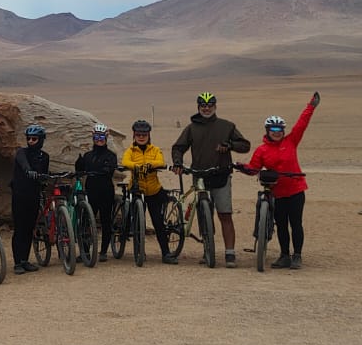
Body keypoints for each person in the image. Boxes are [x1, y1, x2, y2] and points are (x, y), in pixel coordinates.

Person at [170, 91, 252, 267]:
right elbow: (178, 147)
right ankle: (208, 248)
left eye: (209, 105)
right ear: (198, 107)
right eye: (203, 106)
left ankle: (230, 253)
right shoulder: (191, 128)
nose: (206, 108)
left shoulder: (227, 126)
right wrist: (177, 162)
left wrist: (230, 145)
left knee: (225, 214)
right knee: (202, 213)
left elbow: (245, 145)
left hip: (221, 174)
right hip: (199, 175)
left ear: (215, 106)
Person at [240, 92, 320, 269]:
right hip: (277, 193)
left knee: (296, 223)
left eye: (280, 129)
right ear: (267, 131)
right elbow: (254, 168)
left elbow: (301, 124)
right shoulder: (261, 150)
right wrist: (242, 167)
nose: (277, 133)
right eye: (273, 130)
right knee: (281, 225)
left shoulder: (291, 141)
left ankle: (297, 255)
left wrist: (311, 106)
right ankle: (284, 255)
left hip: (296, 190)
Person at [121, 119, 176, 263]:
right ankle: (140, 251)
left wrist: (149, 165)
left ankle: (166, 253)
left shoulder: (155, 150)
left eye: (144, 134)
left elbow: (161, 162)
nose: (141, 137)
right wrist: (138, 166)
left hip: (153, 190)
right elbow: (125, 162)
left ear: (148, 135)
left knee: (158, 222)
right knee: (137, 221)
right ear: (134, 135)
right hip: (137, 189)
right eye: (138, 134)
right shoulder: (130, 151)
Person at [74, 123, 120, 259]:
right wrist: (79, 164)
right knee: (86, 221)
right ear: (93, 137)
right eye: (96, 137)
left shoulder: (111, 155)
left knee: (106, 220)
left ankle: (104, 252)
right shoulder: (88, 155)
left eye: (101, 137)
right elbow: (81, 171)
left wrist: (106, 169)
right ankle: (86, 251)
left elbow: (111, 168)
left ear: (106, 138)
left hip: (106, 191)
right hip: (91, 191)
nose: (99, 139)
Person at [8, 124, 50, 272]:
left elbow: (44, 174)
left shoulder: (44, 157)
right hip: (20, 196)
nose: (31, 141)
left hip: (34, 195)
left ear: (41, 140)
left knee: (29, 229)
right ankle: (17, 263)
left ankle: (25, 260)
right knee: (19, 229)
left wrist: (44, 178)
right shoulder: (21, 152)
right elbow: (23, 163)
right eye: (29, 138)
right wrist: (29, 171)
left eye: (34, 138)